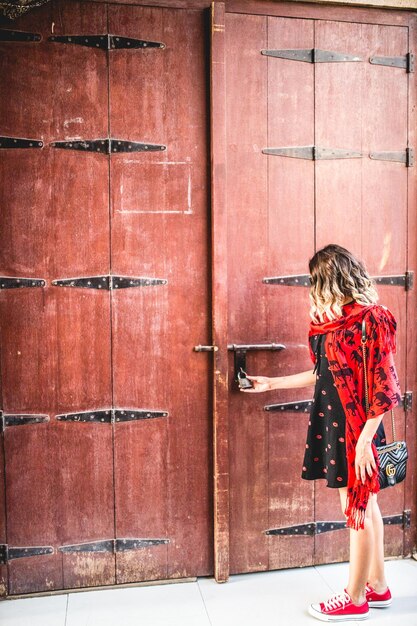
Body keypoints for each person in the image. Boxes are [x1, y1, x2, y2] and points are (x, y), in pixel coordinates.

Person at [242, 244, 401, 622]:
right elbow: (322, 376)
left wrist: (364, 440)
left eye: (316, 280)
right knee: (365, 506)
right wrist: (271, 383)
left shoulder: (370, 319)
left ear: (330, 279)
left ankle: (355, 597)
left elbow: (385, 386)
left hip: (358, 430)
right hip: (334, 425)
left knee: (357, 509)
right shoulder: (329, 324)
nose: (312, 288)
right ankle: (379, 586)